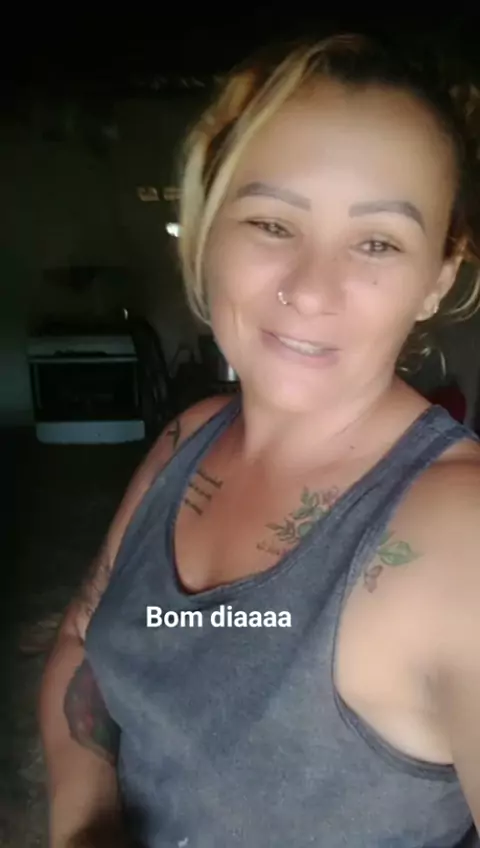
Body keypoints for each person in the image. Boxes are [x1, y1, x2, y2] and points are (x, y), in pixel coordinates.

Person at [40, 33, 480, 848]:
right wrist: (83, 824)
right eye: (273, 223)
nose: (310, 290)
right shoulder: (187, 440)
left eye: (378, 242)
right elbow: (80, 640)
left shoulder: (464, 535)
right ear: (208, 231)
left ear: (438, 277)